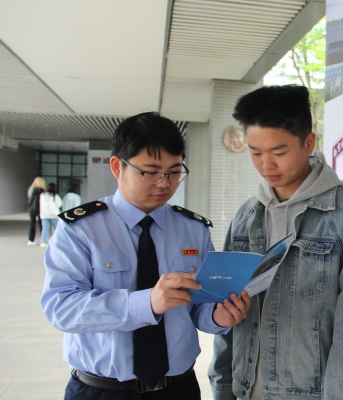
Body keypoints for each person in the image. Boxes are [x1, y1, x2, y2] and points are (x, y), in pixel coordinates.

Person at [41, 112, 251, 400]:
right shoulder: (81, 229)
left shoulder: (193, 229)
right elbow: (61, 307)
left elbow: (199, 304)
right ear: (117, 166)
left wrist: (218, 315)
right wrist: (146, 303)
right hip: (102, 391)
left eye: (175, 172)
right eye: (151, 172)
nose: (165, 183)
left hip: (178, 389)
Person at [208, 85, 343, 400]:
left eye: (278, 153)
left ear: (308, 143)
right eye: (255, 152)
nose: (266, 165)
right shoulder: (245, 217)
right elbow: (226, 310)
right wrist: (223, 389)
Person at [39, 182, 62, 248]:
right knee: (55, 228)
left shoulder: (42, 195)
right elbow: (59, 204)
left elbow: (40, 204)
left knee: (45, 228)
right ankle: (55, 241)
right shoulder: (55, 196)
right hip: (53, 215)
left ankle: (43, 242)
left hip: (44, 215)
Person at [26, 177, 45, 245]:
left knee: (32, 224)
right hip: (40, 209)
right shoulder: (41, 191)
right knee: (41, 224)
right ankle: (43, 240)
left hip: (31, 209)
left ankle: (31, 240)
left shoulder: (31, 190)